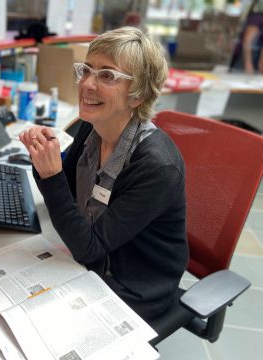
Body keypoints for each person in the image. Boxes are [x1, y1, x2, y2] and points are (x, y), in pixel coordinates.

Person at [19, 26, 188, 323]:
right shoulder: (93, 126)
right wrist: (41, 156)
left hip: (133, 286)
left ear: (138, 95)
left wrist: (50, 175)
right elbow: (67, 191)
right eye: (86, 70)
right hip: (93, 261)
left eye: (107, 75)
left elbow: (89, 249)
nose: (87, 84)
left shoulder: (157, 166)